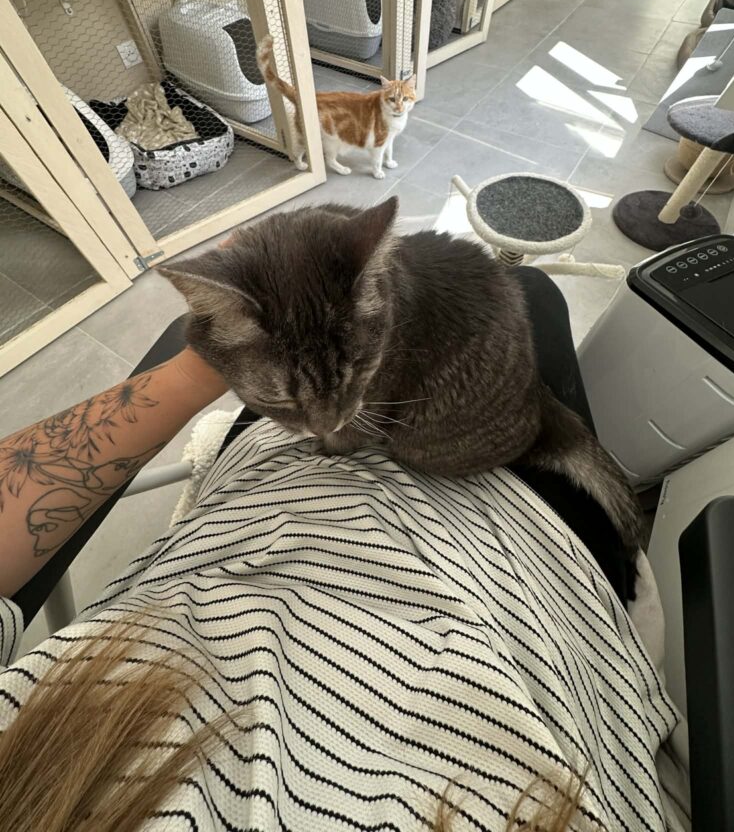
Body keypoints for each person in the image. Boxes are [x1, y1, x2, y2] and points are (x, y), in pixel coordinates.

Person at [0, 270, 683, 832]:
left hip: (278, 498)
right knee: (534, 293)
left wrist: (205, 359)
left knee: (505, 298)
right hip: (521, 559)